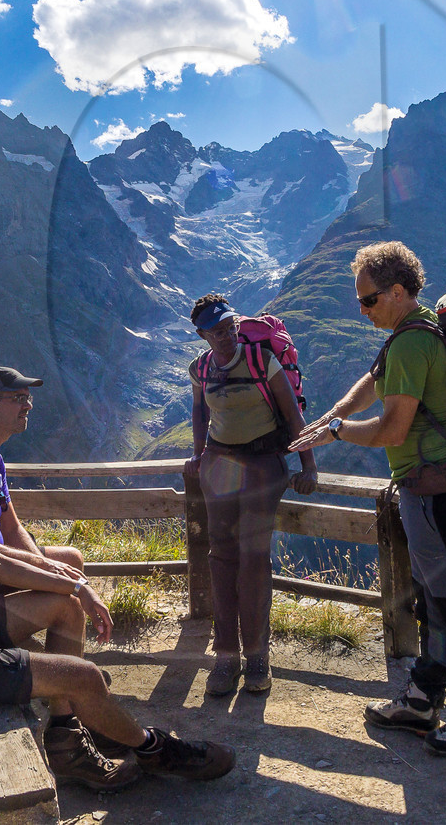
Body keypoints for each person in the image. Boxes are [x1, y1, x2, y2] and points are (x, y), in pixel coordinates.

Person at [0, 383, 235, 793]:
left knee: (65, 615)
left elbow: (0, 562)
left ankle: (70, 739)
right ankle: (157, 750)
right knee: (84, 677)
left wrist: (77, 586)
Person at [291, 241, 446, 757]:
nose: (361, 310)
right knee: (436, 596)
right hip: (430, 491)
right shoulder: (416, 330)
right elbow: (373, 381)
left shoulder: (411, 343)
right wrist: (331, 419)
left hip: (435, 493)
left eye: (367, 301)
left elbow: (391, 430)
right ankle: (426, 696)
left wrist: (340, 431)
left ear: (395, 292)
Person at [184, 294, 318, 697]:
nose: (227, 336)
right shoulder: (200, 369)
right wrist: (197, 454)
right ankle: (226, 657)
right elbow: (199, 412)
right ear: (203, 335)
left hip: (262, 465)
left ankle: (257, 656)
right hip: (221, 466)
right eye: (217, 331)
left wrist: (308, 466)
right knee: (221, 557)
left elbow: (294, 415)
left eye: (230, 327)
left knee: (253, 559)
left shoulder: (262, 361)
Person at [0, 367, 89, 655]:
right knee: (69, 602)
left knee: (71, 559)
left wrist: (46, 568)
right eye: (18, 397)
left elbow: (11, 529)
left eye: (28, 397)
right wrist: (46, 571)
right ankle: (64, 690)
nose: (29, 405)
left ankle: (62, 665)